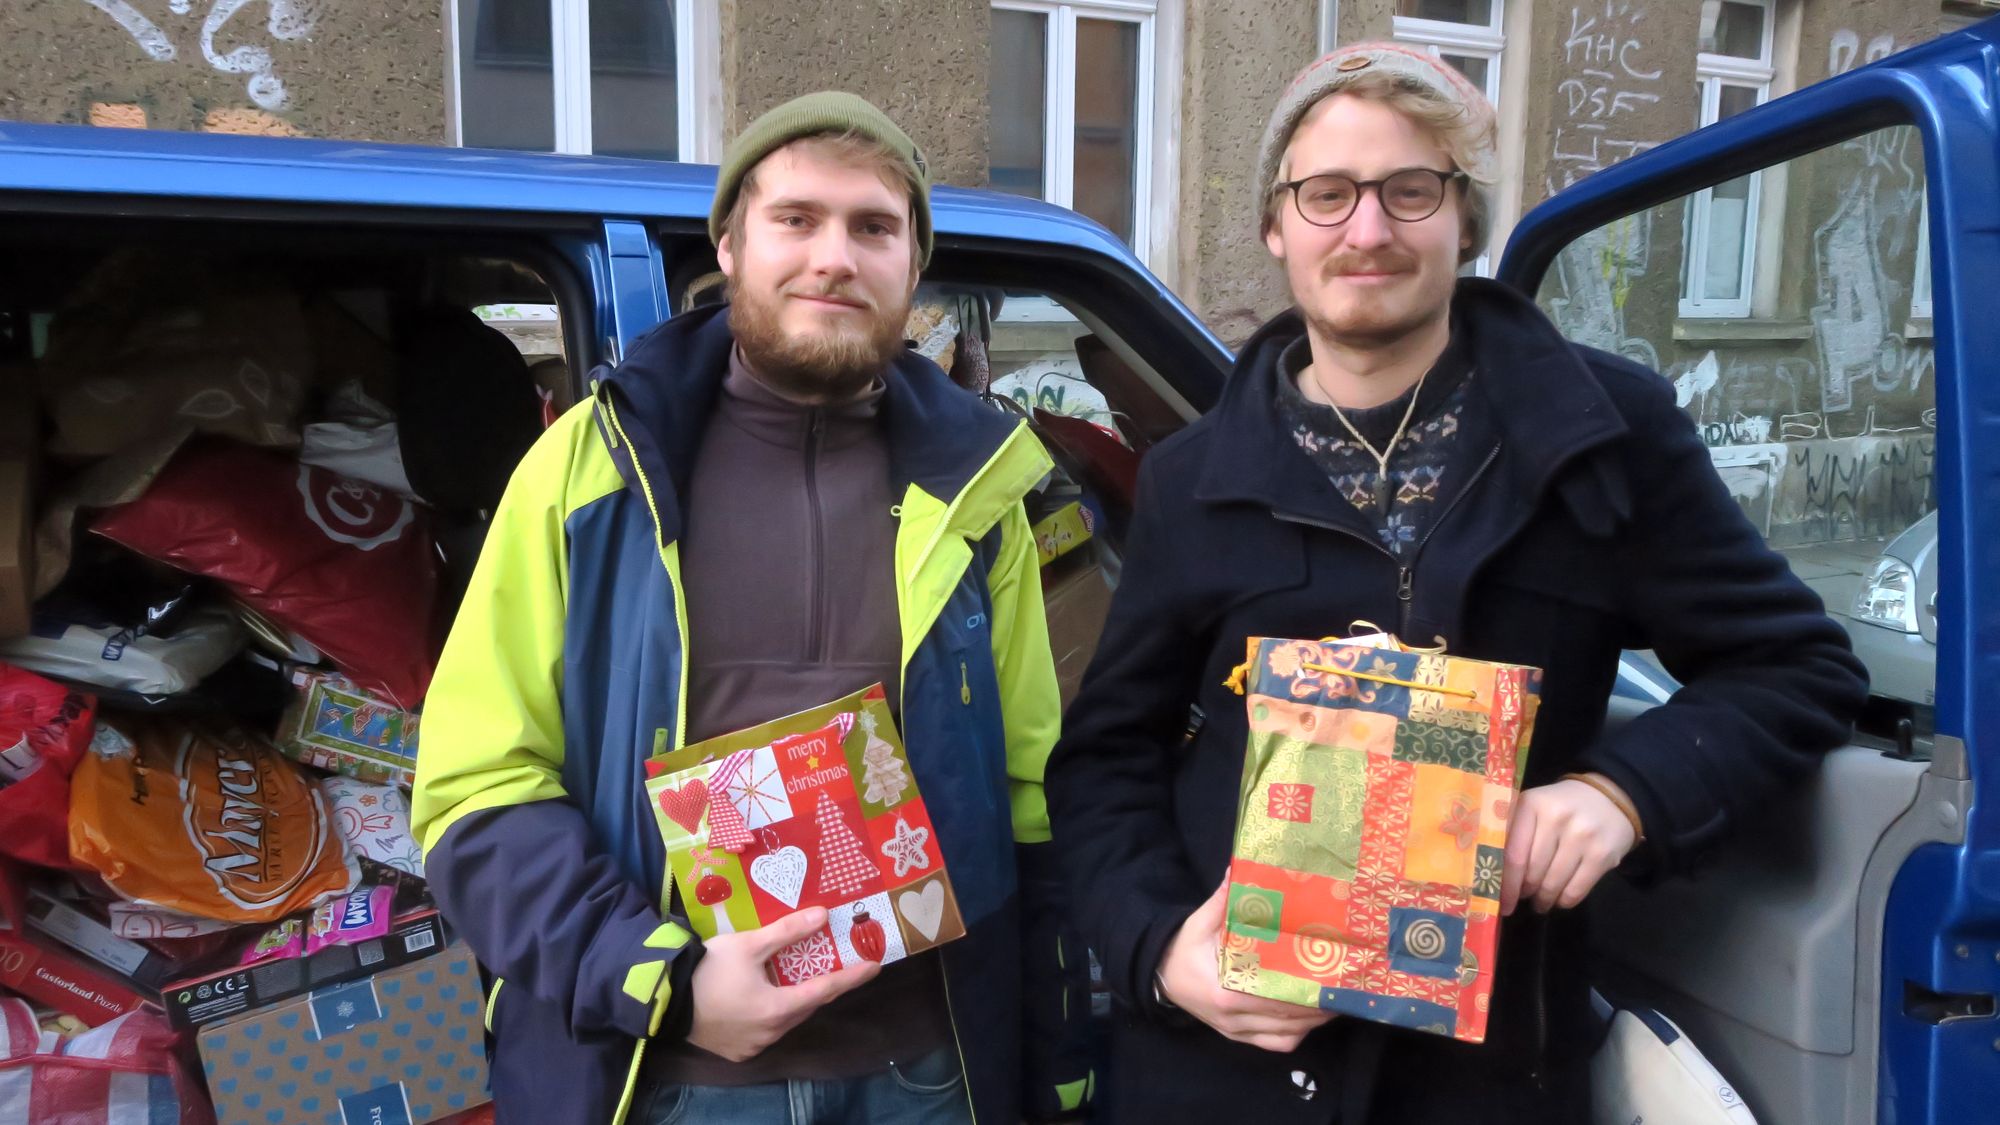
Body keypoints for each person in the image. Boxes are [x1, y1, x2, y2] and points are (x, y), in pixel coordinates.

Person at [1045, 42, 1868, 1122]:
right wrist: (1159, 949)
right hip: (1227, 1062)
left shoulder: (1600, 436)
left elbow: (1795, 667)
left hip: (1486, 1069)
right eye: (1326, 195)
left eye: (1409, 190)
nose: (1368, 230)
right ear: (1275, 227)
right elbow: (1106, 758)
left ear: (1464, 221)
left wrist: (1620, 794)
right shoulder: (1195, 479)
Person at [413, 92, 1088, 1125]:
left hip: (924, 1076)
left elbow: (1026, 799)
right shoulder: (589, 472)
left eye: (873, 227)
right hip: (663, 1077)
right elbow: (476, 789)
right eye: (795, 219)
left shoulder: (978, 495)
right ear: (728, 246)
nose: (833, 257)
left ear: (913, 266)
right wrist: (665, 984)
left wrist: (1054, 1055)